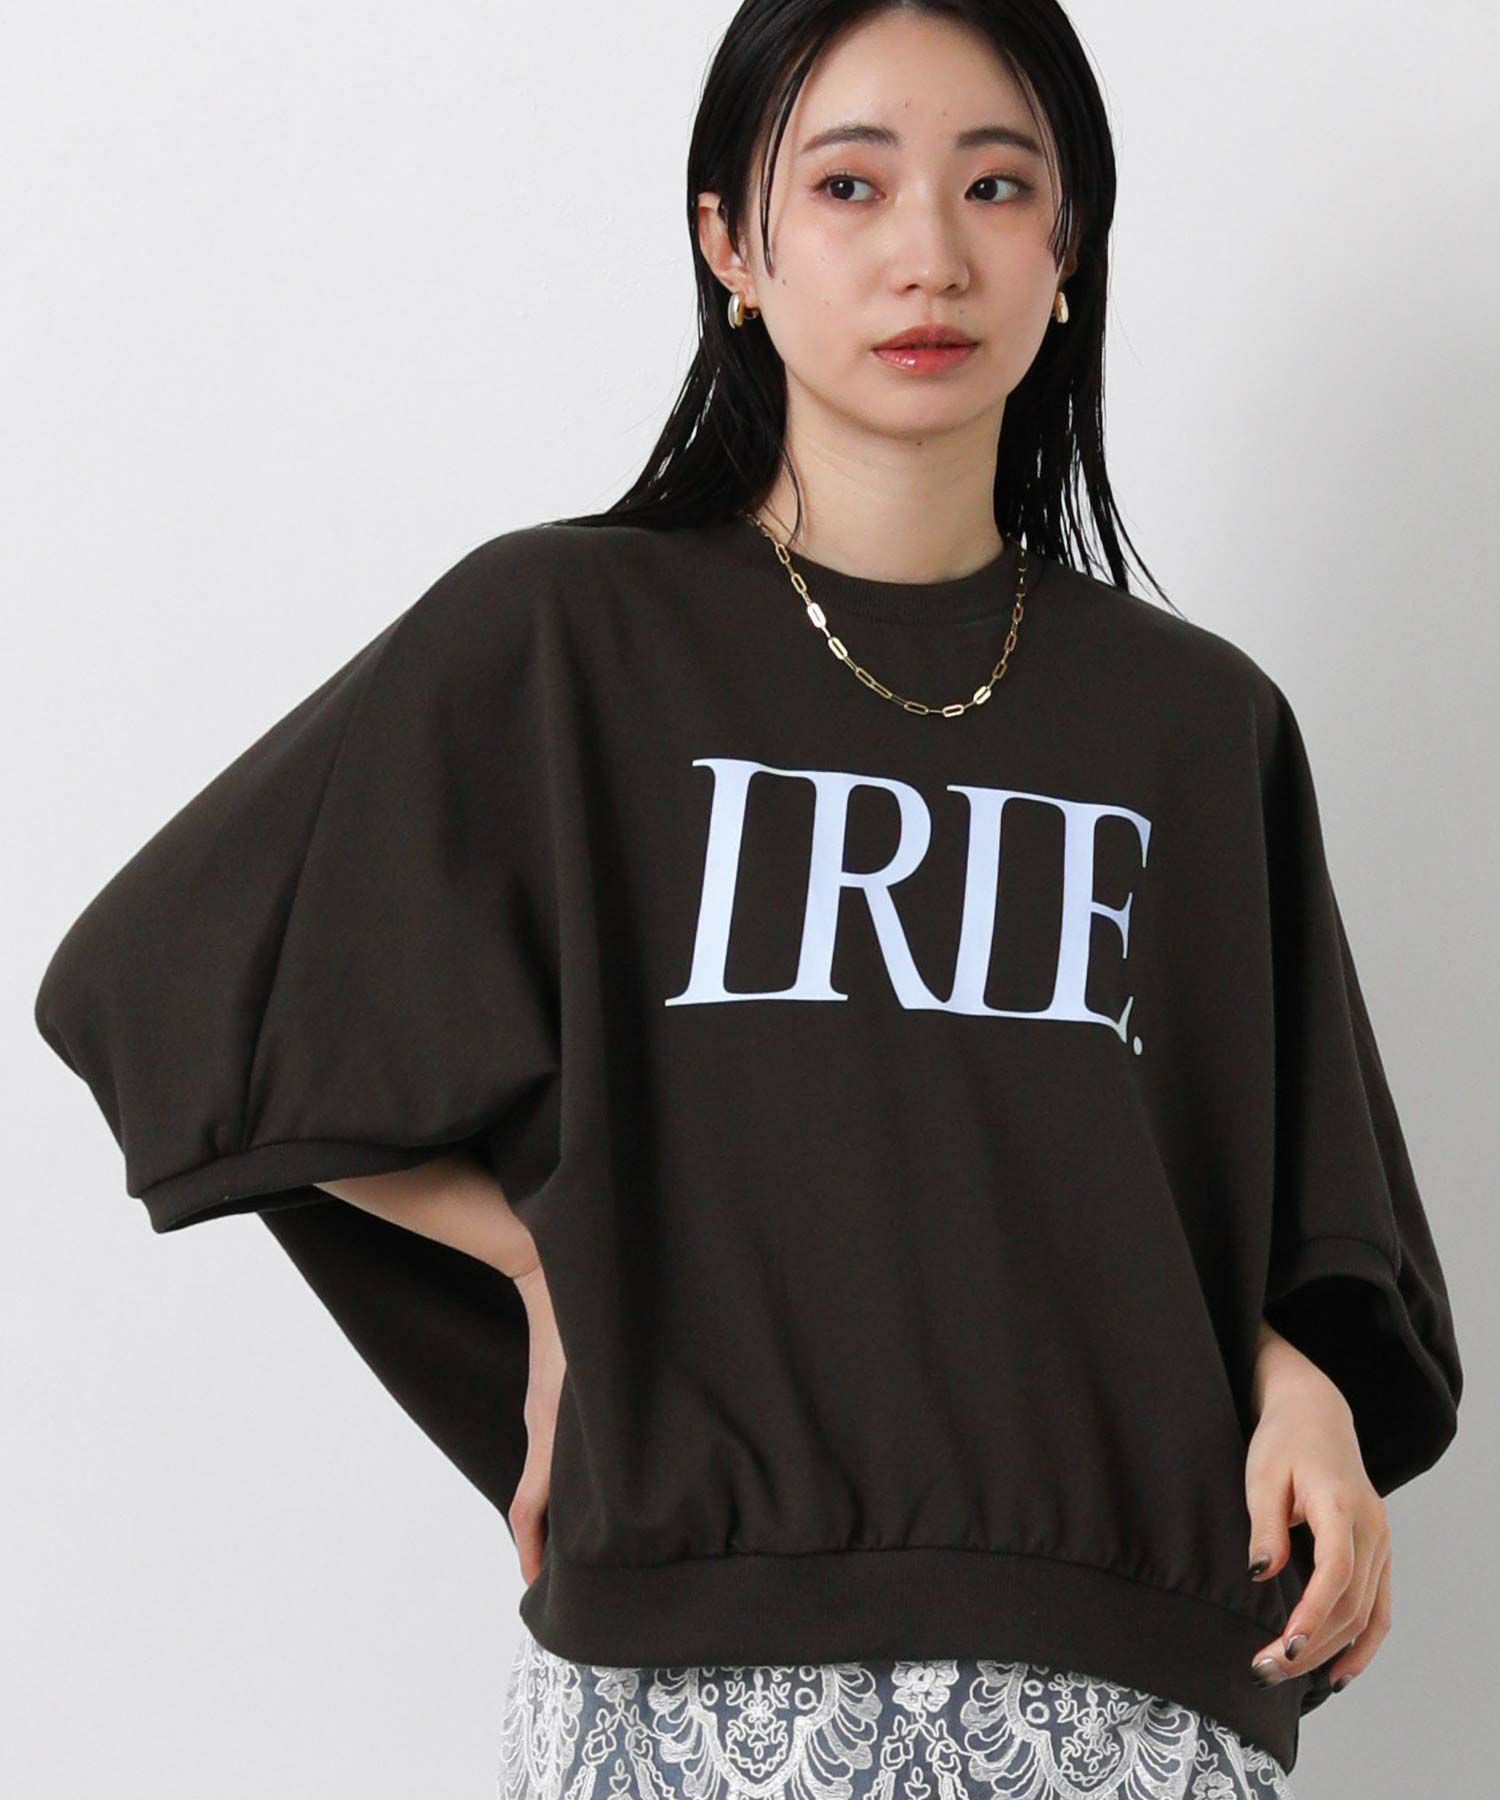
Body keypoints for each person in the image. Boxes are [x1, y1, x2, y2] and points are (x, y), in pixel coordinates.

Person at [32, 3, 1462, 1795]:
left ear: (1069, 244)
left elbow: (1221, 1195)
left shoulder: (1197, 724)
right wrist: (549, 1262)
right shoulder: (567, 640)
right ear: (730, 241)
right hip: (694, 1701)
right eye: (848, 185)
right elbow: (162, 986)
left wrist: (1303, 1377)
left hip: (1124, 1697)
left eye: (996, 186)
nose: (929, 254)